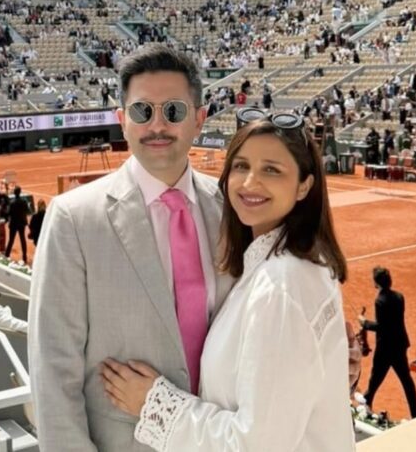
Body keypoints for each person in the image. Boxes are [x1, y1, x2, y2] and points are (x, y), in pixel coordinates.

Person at [29, 44, 362, 451]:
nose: (157, 125)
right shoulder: (73, 218)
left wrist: (322, 366)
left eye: (173, 111)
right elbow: (53, 370)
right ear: (122, 120)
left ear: (199, 119)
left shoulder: (236, 211)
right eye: (141, 111)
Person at [101, 110, 355, 451]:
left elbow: (255, 445)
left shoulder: (279, 287)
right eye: (241, 166)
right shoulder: (294, 264)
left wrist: (153, 403)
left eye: (272, 169)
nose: (250, 183)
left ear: (304, 186)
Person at [357, 266, 416, 419]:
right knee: (406, 381)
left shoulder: (380, 301)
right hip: (399, 344)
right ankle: (415, 414)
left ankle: (366, 407)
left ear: (376, 282)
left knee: (374, 381)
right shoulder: (399, 297)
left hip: (385, 348)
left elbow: (382, 327)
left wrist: (364, 323)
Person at [5, 186, 29, 264]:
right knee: (23, 239)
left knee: (11, 239)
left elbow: (9, 213)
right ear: (20, 192)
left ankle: (7, 255)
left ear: (14, 193)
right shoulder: (24, 201)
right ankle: (24, 256)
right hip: (22, 222)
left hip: (14, 223)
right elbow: (27, 210)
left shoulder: (12, 202)